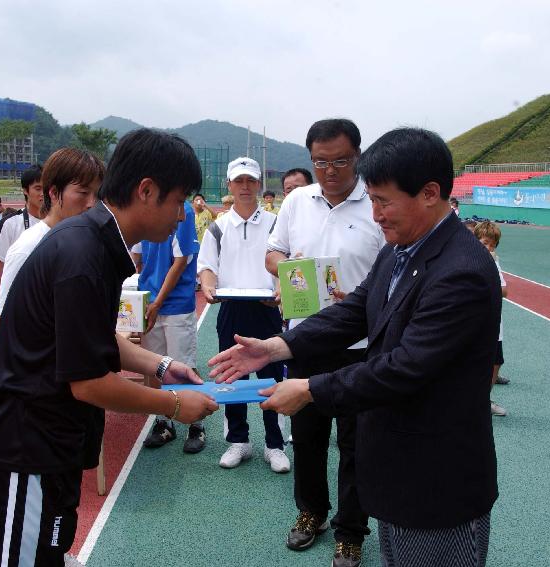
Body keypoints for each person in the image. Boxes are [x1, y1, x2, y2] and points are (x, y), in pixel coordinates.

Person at [210, 127, 500, 567]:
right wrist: (275, 347)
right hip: (401, 466)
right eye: (374, 200)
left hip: (435, 477)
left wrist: (308, 390)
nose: (376, 214)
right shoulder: (401, 248)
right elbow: (353, 311)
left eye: (383, 202)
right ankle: (317, 512)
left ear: (430, 193)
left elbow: (404, 368)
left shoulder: (461, 270)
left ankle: (348, 528)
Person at [0, 128, 218, 567]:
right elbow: (89, 383)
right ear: (146, 190)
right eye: (178, 201)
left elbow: (95, 338)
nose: (181, 215)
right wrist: (173, 405)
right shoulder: (83, 254)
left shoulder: (96, 244)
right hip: (21, 457)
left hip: (47, 451)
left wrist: (162, 364)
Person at [264, 119, 385, 567]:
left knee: (357, 443)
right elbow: (272, 253)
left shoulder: (374, 202)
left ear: (357, 156)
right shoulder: (297, 200)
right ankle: (310, 512)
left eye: (340, 161)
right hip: (304, 341)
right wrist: (287, 271)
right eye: (320, 161)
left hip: (359, 345)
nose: (329, 170)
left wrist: (359, 300)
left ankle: (351, 531)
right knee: (307, 434)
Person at [198, 156, 288, 472]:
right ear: (230, 186)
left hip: (267, 311)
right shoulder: (218, 227)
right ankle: (239, 442)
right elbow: (207, 267)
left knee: (271, 379)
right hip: (232, 310)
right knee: (232, 378)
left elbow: (285, 265)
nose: (246, 186)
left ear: (260, 184)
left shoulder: (276, 223)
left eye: (251, 180)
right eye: (240, 181)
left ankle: (274, 444)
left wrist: (281, 290)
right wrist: (208, 286)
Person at [0, 148, 105, 334]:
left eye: (97, 194)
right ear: (53, 193)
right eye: (83, 192)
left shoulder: (86, 241)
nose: (92, 203)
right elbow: (1, 323)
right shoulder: (29, 247)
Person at [137, 198, 206, 453]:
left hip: (175, 303)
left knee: (182, 366)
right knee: (153, 366)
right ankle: (164, 421)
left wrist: (158, 301)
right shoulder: (143, 206)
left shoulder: (183, 210)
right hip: (148, 299)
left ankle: (196, 424)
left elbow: (180, 262)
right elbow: (136, 256)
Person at [473, 221, 509, 416]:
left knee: (496, 361)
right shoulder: (468, 259)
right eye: (485, 243)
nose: (489, 248)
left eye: (492, 244)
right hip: (474, 322)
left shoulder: (494, 262)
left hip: (494, 322)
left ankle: (484, 400)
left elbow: (505, 290)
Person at [0, 165, 44, 294]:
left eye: (47, 188)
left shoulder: (60, 222)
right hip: (20, 298)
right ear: (25, 190)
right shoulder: (9, 224)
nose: (43, 193)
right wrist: (1, 308)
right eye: (38, 188)